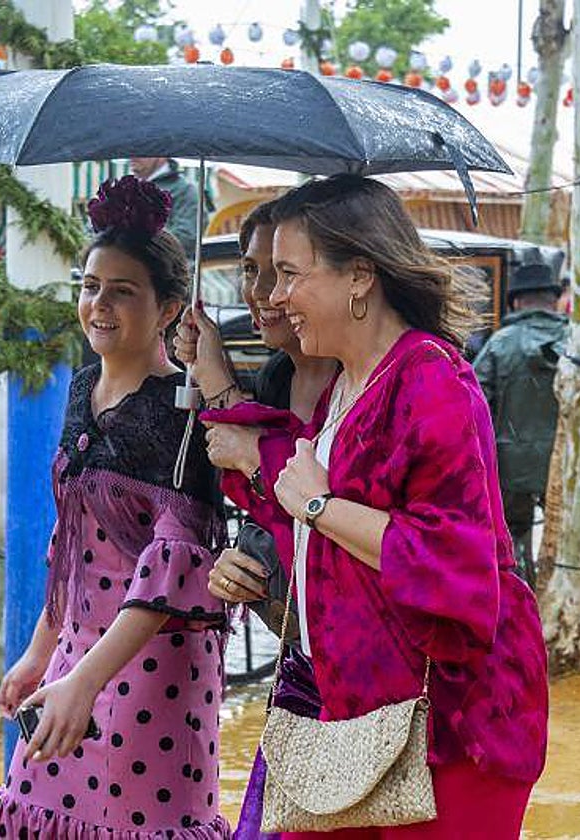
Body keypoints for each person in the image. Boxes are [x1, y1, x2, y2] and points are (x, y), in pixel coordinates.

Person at [264, 175, 548, 838]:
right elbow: (330, 558)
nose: (275, 299)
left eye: (288, 274)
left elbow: (456, 562)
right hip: (357, 713)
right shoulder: (342, 383)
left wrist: (317, 505)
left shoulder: (430, 377)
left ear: (359, 275)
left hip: (454, 723)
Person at [0, 175, 231, 839]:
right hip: (76, 656)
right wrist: (43, 652)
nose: (100, 304)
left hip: (154, 667)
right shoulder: (83, 387)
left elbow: (176, 568)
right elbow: (72, 540)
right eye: (91, 286)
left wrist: (87, 679)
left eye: (123, 291)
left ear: (170, 306)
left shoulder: (182, 412)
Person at [174, 198, 338, 838]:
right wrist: (246, 566)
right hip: (300, 667)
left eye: (284, 272)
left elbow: (323, 513)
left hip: (369, 685)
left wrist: (220, 389)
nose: (264, 293)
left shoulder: (368, 383)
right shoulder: (275, 377)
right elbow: (271, 520)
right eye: (251, 270)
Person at [473, 262, 569, 586]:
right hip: (565, 466)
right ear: (554, 300)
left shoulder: (500, 344)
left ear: (516, 302)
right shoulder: (577, 344)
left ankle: (520, 590)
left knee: (514, 530)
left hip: (509, 467)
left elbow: (473, 402)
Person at [129, 157, 208, 256]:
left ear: (161, 156)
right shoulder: (129, 189)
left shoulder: (185, 190)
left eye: (141, 150)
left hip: (163, 268)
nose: (133, 157)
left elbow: (187, 238)